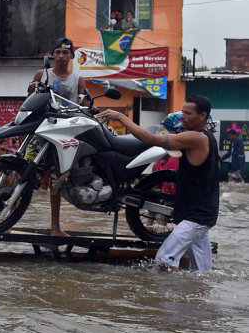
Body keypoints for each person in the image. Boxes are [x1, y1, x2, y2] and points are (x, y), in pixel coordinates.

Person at [97, 95, 219, 271]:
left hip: (196, 218)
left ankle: (169, 298)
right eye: (182, 111)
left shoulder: (197, 138)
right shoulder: (204, 136)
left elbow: (152, 140)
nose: (182, 115)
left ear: (202, 116)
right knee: (202, 272)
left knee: (164, 261)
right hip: (199, 214)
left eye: (187, 113)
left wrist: (122, 118)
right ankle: (195, 297)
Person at [27, 37, 88, 236]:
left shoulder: (78, 80)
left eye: (65, 53)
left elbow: (83, 105)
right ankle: (8, 217)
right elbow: (29, 100)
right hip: (42, 131)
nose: (61, 56)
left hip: (64, 136)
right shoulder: (42, 74)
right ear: (53, 55)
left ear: (72, 56)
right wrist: (32, 88)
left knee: (57, 182)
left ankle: (55, 228)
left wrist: (86, 102)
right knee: (25, 172)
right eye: (58, 52)